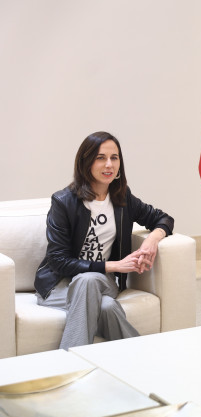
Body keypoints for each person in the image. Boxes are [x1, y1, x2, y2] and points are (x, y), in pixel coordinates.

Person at [35, 131, 174, 350]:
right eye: (100, 158)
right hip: (58, 285)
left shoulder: (122, 197)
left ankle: (68, 365)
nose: (109, 164)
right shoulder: (63, 202)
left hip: (103, 282)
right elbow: (58, 261)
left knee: (90, 280)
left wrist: (153, 239)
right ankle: (144, 358)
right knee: (106, 306)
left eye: (114, 157)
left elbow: (163, 219)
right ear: (86, 162)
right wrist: (115, 266)